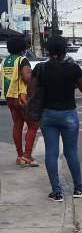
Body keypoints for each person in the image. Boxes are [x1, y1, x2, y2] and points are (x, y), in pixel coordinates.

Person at [30, 35, 82, 201]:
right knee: (71, 152)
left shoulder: (40, 68)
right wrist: (75, 74)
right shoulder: (72, 68)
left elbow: (31, 90)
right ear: (65, 50)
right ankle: (78, 188)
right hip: (68, 114)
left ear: (48, 50)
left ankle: (56, 192)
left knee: (51, 152)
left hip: (48, 115)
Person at [3, 36, 39, 166]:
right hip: (22, 97)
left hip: (10, 97)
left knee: (17, 125)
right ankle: (27, 155)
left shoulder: (5, 61)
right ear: (23, 48)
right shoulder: (22, 60)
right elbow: (26, 77)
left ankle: (20, 156)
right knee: (33, 125)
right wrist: (35, 74)